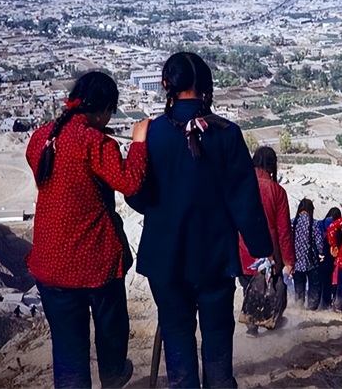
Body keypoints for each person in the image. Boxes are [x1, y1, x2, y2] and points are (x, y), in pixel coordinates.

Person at [125, 52, 272, 388]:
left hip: (166, 259)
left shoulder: (151, 135)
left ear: (166, 84)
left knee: (177, 334)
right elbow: (245, 201)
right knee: (217, 336)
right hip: (215, 258)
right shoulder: (228, 134)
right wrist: (262, 249)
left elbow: (136, 196)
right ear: (206, 86)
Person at [26, 71, 149, 389]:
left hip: (51, 265)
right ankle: (113, 375)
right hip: (94, 263)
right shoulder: (95, 143)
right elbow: (129, 183)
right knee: (111, 333)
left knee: (69, 352)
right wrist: (139, 144)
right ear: (104, 109)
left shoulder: (42, 137)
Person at [238, 146, 295, 334]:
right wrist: (288, 260)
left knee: (249, 288)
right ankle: (271, 321)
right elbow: (284, 230)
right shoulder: (277, 191)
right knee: (274, 289)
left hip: (243, 251)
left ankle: (251, 325)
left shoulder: (241, 186)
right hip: (268, 253)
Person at [291, 199, 322, 310]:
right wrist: (321, 253)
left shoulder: (292, 222)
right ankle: (312, 306)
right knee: (314, 284)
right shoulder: (314, 224)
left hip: (296, 261)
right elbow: (319, 242)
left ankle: (299, 304)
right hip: (311, 260)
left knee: (299, 284)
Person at [318, 207, 342, 310]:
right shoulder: (336, 226)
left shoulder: (320, 223)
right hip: (330, 258)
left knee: (319, 281)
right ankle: (325, 304)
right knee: (327, 282)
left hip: (319, 256)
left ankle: (317, 303)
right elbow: (339, 244)